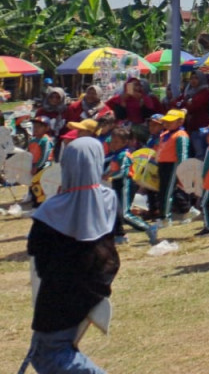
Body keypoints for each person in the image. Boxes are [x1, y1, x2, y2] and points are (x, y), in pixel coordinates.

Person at [22, 137, 120, 374]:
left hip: (59, 293)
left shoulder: (51, 209)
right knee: (45, 351)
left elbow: (37, 252)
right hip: (96, 285)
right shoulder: (108, 199)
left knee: (50, 354)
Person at [152, 108, 189, 227]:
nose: (166, 123)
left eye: (170, 121)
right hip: (163, 164)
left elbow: (182, 154)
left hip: (172, 165)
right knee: (163, 191)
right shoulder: (164, 134)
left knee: (167, 192)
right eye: (166, 121)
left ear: (180, 122)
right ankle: (186, 211)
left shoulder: (181, 135)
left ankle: (165, 217)